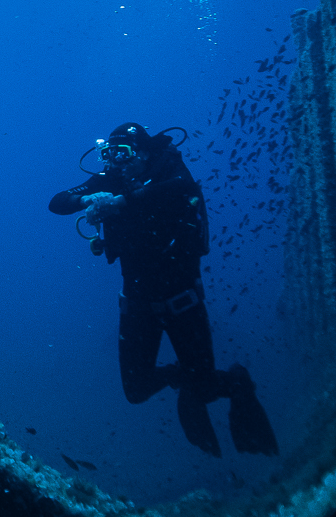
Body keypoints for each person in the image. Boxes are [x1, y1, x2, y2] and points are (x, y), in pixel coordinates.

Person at [50, 123, 278, 457]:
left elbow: (180, 188)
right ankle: (181, 377)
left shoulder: (170, 173)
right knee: (136, 389)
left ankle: (235, 382)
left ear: (142, 152)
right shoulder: (108, 179)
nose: (116, 161)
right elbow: (58, 202)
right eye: (109, 153)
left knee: (206, 387)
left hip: (182, 301)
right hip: (137, 304)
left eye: (123, 153)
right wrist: (88, 197)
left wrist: (122, 202)